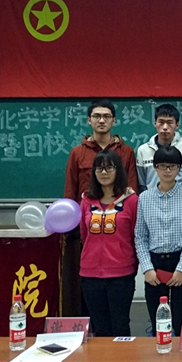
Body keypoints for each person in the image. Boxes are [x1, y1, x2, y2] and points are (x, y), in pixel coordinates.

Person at [64, 98, 138, 317]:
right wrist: (73, 232)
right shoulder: (77, 153)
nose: (101, 120)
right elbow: (70, 194)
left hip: (119, 233)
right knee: (90, 308)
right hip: (87, 233)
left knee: (119, 314)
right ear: (89, 120)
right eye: (97, 116)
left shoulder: (126, 152)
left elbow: (132, 191)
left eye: (106, 116)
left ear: (114, 120)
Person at [135, 146, 182, 336]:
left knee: (181, 323)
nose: (168, 170)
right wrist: (147, 269)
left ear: (180, 168)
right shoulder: (144, 198)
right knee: (159, 325)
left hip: (181, 263)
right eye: (162, 166)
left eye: (173, 166)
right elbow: (140, 236)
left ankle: (179, 357)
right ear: (155, 167)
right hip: (154, 265)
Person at [79, 150, 138, 337]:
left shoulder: (131, 200)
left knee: (120, 326)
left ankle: (123, 359)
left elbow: (135, 236)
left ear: (118, 170)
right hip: (90, 275)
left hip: (121, 275)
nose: (104, 172)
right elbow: (84, 234)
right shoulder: (86, 201)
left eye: (109, 168)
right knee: (100, 328)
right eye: (99, 168)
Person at [136, 103, 182, 192]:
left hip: (181, 199)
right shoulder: (143, 150)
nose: (165, 127)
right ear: (155, 123)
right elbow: (142, 183)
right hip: (152, 199)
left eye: (169, 122)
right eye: (161, 122)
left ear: (177, 125)